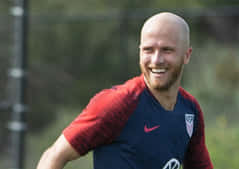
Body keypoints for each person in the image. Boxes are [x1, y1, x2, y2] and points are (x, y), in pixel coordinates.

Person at [36, 12, 213, 169]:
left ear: (187, 55)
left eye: (167, 50)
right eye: (148, 50)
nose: (156, 59)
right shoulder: (118, 104)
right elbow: (54, 156)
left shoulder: (190, 110)